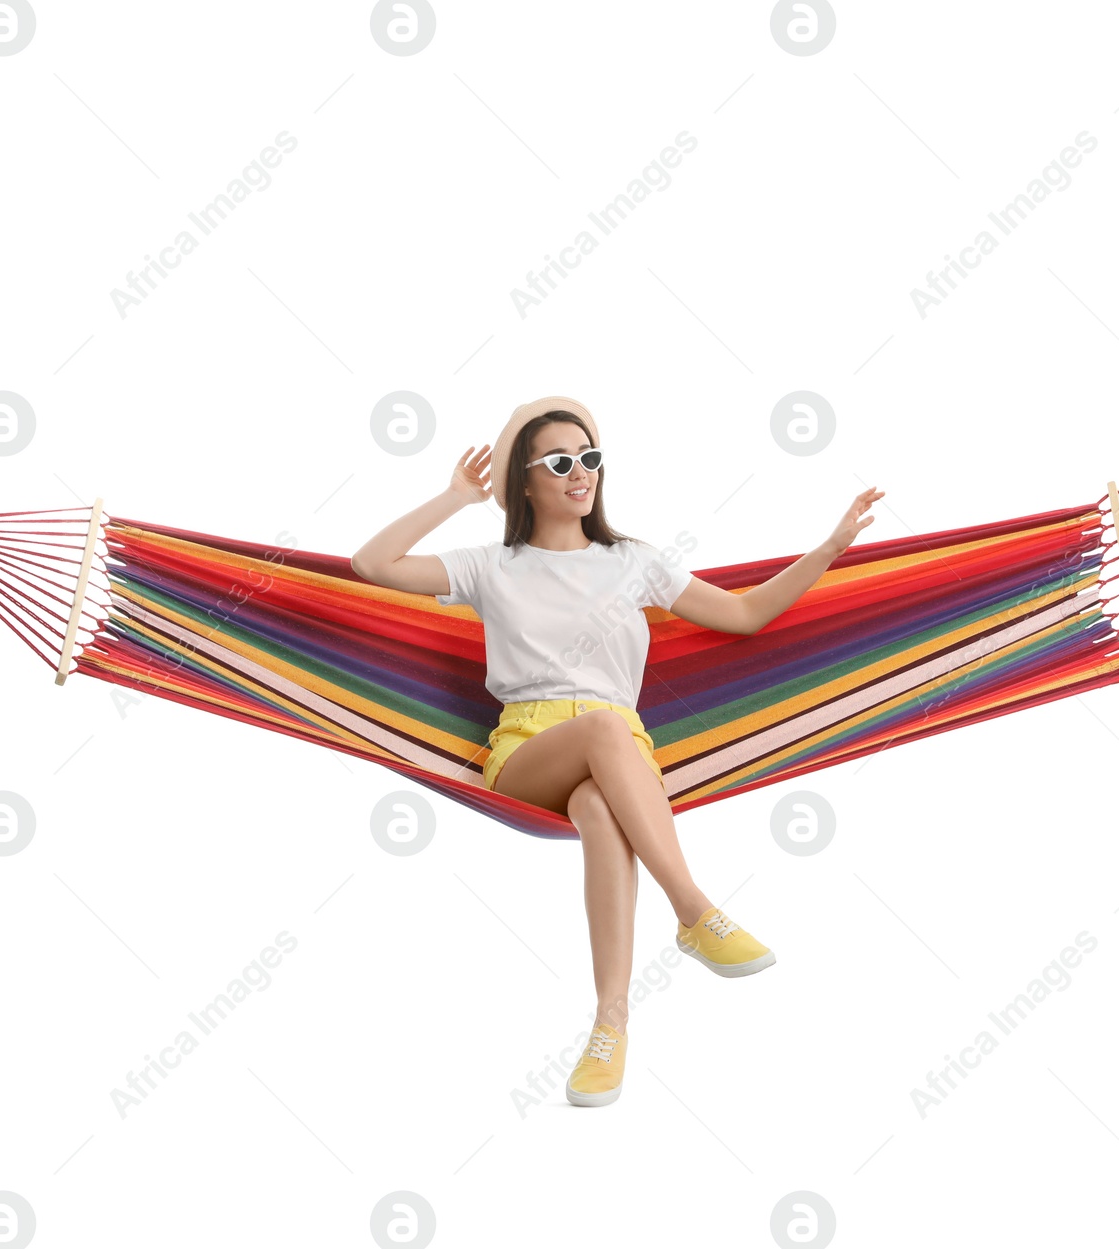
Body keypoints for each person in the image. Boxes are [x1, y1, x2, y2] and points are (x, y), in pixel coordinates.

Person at [351, 396, 883, 1107]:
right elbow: (370, 563)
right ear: (526, 482)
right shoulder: (490, 566)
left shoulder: (633, 561)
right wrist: (455, 496)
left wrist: (828, 550)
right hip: (527, 751)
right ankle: (693, 908)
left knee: (602, 809)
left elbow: (746, 614)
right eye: (562, 462)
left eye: (591, 458)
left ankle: (611, 1024)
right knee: (603, 728)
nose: (582, 473)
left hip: (622, 757)